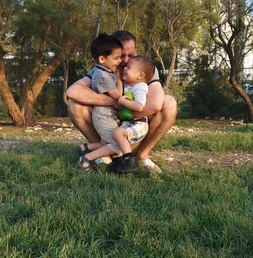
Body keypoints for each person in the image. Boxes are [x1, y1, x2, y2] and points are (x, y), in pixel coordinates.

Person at [67, 30, 177, 173]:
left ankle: (141, 154)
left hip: (133, 126)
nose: (124, 61)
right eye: (121, 55)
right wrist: (112, 102)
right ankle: (105, 151)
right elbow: (72, 92)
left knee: (169, 103)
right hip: (108, 124)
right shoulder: (104, 69)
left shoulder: (145, 67)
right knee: (74, 104)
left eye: (130, 55)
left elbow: (156, 103)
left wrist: (125, 113)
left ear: (136, 50)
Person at [79, 55, 155, 173]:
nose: (125, 68)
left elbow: (139, 106)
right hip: (128, 123)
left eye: (129, 67)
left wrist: (122, 101)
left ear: (140, 75)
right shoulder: (129, 85)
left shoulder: (140, 87)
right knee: (109, 142)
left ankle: (128, 159)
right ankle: (86, 148)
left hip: (138, 124)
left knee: (117, 137)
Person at [75, 33, 123, 170]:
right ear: (102, 59)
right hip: (103, 116)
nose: (119, 61)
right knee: (117, 145)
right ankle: (86, 159)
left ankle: (86, 148)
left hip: (107, 115)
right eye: (116, 58)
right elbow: (117, 95)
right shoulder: (102, 76)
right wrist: (119, 79)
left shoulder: (105, 72)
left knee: (107, 142)